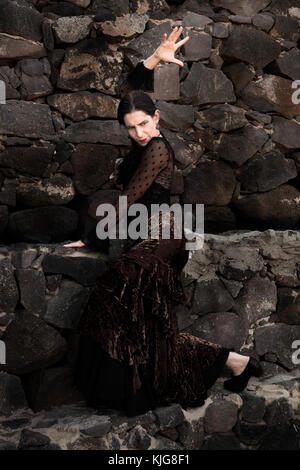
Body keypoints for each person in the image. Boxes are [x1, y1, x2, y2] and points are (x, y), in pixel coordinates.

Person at [64, 26, 263, 417]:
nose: (138, 133)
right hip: (144, 237)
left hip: (165, 239)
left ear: (157, 118)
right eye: (131, 127)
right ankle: (236, 363)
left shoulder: (157, 149)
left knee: (111, 294)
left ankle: (136, 392)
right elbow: (130, 89)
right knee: (153, 333)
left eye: (144, 123)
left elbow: (127, 200)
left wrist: (91, 238)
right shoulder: (139, 127)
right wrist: (155, 58)